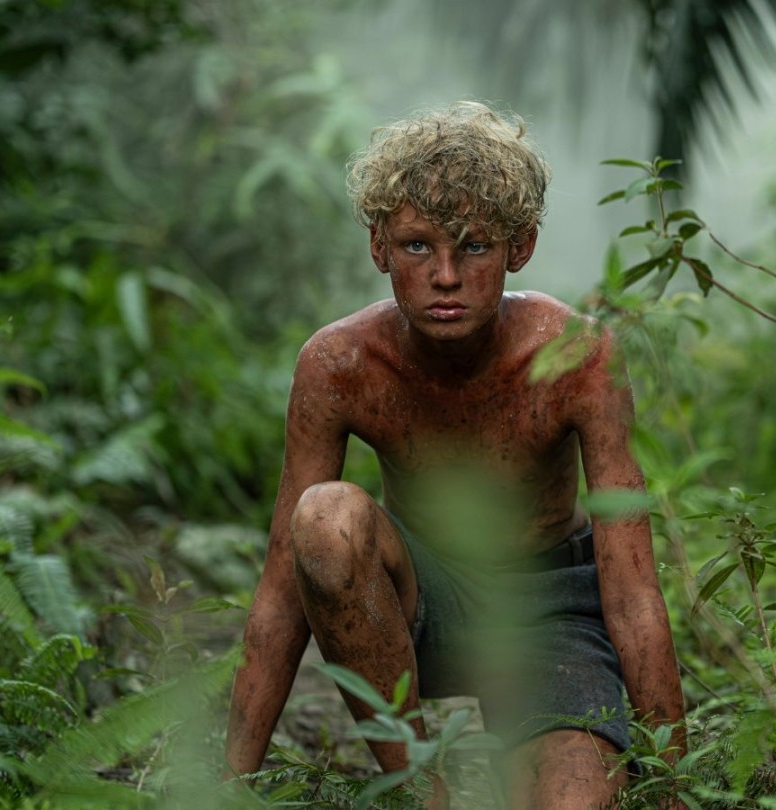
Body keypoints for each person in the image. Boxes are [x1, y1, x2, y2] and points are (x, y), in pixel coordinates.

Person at [224, 101, 685, 809]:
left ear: (519, 247)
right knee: (324, 518)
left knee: (574, 803)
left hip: (550, 613)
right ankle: (419, 788)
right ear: (379, 249)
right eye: (417, 247)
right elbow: (284, 588)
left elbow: (630, 589)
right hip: (421, 604)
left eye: (473, 247)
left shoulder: (577, 356)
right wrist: (225, 785)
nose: (445, 275)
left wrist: (673, 785)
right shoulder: (341, 363)